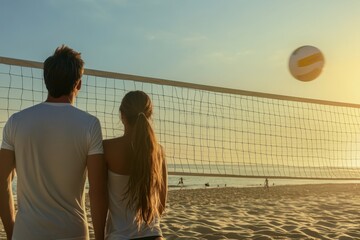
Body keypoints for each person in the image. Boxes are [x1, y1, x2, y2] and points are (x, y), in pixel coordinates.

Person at [0, 45, 108, 240]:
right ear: (79, 84)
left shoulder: (16, 122)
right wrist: (100, 237)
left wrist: (12, 233)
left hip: (27, 233)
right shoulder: (90, 125)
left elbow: (2, 183)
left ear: (46, 81)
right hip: (72, 232)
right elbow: (97, 190)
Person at [103, 90, 167, 240]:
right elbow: (160, 205)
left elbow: (99, 197)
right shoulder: (158, 151)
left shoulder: (107, 148)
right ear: (149, 116)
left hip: (118, 236)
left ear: (122, 115)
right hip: (153, 235)